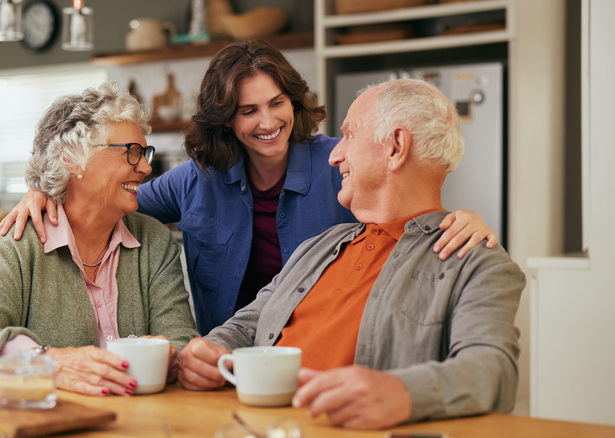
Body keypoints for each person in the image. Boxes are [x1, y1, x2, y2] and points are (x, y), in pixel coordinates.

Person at [0, 40, 498, 335]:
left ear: (294, 103)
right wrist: (47, 192)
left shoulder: (337, 161)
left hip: (325, 351)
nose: (267, 122)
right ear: (226, 120)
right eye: (248, 110)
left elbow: (407, 209)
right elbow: (107, 202)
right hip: (231, 355)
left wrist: (461, 219)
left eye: (277, 103)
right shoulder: (199, 177)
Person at [176, 78, 525, 430]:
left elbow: (493, 370)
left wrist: (403, 392)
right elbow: (244, 327)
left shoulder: (475, 262)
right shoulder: (318, 246)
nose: (334, 155)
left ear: (395, 147)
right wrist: (209, 352)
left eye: (350, 135)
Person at [0, 83, 199, 397]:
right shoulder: (21, 242)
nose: (144, 167)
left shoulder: (154, 241)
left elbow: (181, 341)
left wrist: (171, 355)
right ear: (73, 159)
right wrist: (46, 361)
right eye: (131, 152)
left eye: (144, 153)